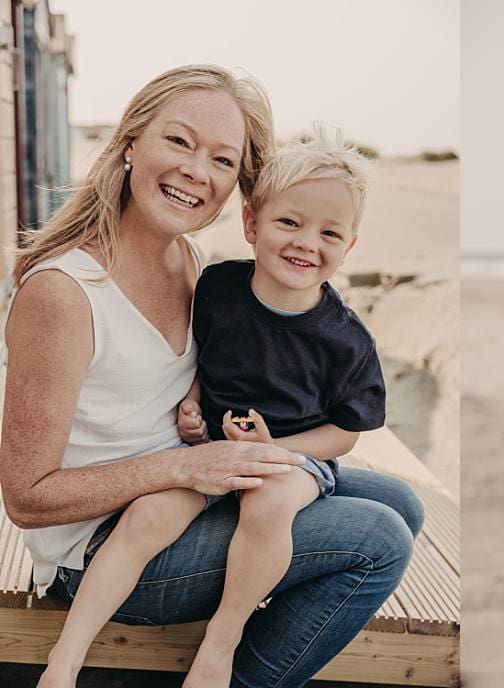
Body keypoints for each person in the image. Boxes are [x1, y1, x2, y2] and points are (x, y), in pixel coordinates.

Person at [1, 65, 421, 688]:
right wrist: (186, 468)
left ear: (236, 191)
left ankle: (247, 634)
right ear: (130, 143)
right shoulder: (64, 294)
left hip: (189, 486)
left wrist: (228, 445)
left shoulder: (191, 263)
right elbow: (27, 497)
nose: (198, 171)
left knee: (402, 501)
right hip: (101, 548)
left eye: (223, 159)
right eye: (179, 141)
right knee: (379, 539)